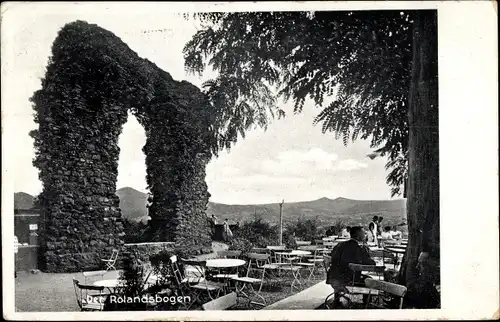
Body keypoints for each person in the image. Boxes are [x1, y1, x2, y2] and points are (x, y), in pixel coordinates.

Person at [326, 226, 376, 307]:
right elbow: (371, 264)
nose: (365, 234)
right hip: (348, 281)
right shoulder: (358, 248)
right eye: (363, 233)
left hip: (333, 278)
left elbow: (331, 256)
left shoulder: (340, 245)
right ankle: (366, 305)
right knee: (369, 280)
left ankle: (337, 301)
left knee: (341, 270)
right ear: (357, 236)